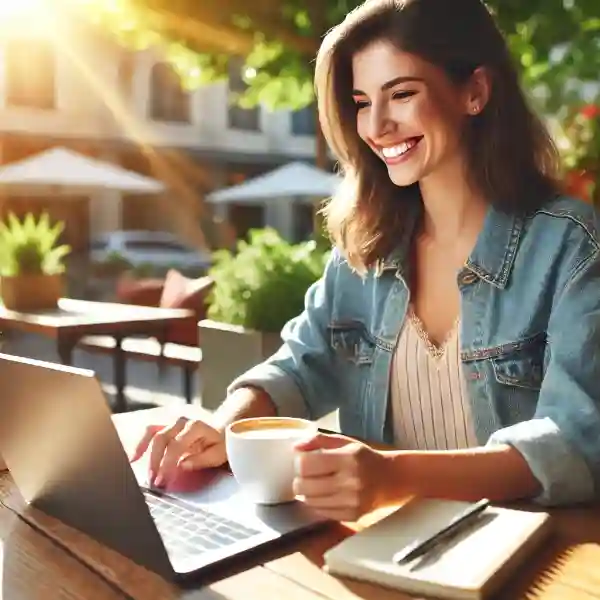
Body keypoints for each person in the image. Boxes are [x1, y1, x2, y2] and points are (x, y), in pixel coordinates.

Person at [132, 0, 600, 522]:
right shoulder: (367, 246)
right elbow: (300, 365)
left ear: (475, 92)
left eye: (401, 94)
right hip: (379, 554)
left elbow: (575, 442)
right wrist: (225, 426)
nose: (376, 125)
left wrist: (392, 475)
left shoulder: (570, 244)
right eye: (361, 101)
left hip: (528, 556)